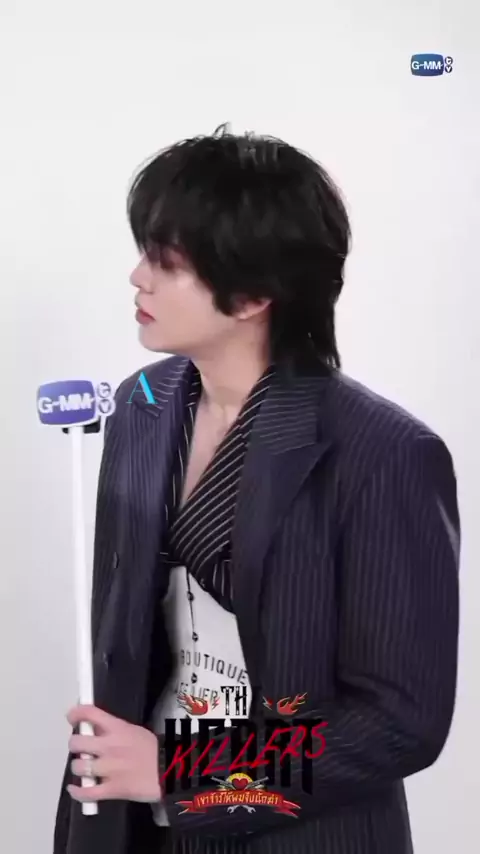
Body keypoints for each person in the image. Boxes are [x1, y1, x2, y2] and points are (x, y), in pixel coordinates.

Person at [53, 125, 460, 854]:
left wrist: (179, 772)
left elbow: (400, 722)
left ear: (251, 295)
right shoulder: (139, 407)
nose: (137, 277)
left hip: (302, 834)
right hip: (131, 825)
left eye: (165, 260)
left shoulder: (386, 453)